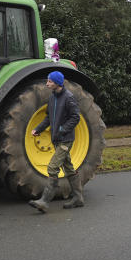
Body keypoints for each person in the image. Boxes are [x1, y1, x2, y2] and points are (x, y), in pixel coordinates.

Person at [28, 71, 83, 212]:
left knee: (52, 167)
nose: (47, 84)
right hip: (57, 139)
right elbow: (48, 118)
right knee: (68, 167)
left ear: (57, 83)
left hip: (65, 139)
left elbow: (75, 117)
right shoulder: (52, 98)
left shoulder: (68, 98)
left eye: (50, 82)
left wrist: (62, 129)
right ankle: (78, 198)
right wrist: (38, 129)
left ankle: (45, 201)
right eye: (47, 81)